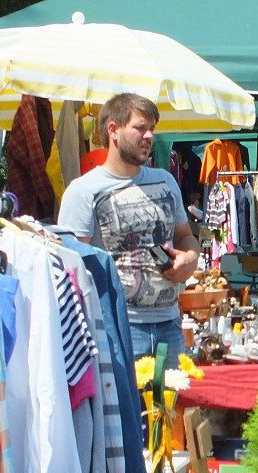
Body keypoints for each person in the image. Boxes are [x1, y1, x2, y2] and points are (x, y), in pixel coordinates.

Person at [58, 93, 200, 360]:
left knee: (168, 402)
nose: (149, 136)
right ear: (113, 130)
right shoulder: (84, 190)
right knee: (126, 404)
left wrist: (190, 258)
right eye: (140, 128)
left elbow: (185, 235)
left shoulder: (166, 181)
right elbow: (72, 266)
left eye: (152, 129)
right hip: (117, 328)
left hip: (169, 324)